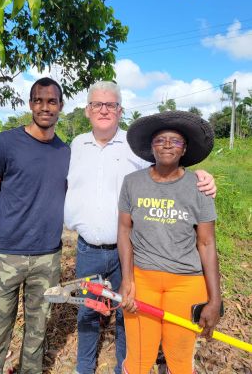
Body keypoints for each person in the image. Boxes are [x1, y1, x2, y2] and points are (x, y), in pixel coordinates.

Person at [64, 81, 217, 374]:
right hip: (88, 248)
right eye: (97, 104)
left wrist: (205, 177)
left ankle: (128, 366)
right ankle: (84, 368)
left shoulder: (135, 149)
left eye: (111, 105)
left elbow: (171, 170)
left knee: (128, 314)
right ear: (87, 111)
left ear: (120, 110)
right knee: (87, 311)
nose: (104, 110)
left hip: (130, 252)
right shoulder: (75, 145)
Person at [0, 77, 70, 373]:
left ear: (60, 107)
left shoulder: (65, 152)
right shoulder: (6, 143)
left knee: (37, 334)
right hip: (4, 257)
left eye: (51, 101)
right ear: (30, 105)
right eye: (39, 100)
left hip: (48, 257)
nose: (45, 107)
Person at [118, 111, 222, 374]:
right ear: (150, 147)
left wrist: (214, 300)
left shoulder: (199, 187)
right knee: (139, 360)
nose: (167, 144)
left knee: (179, 360)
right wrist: (127, 280)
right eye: (160, 140)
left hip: (186, 284)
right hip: (143, 281)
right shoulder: (132, 182)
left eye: (175, 141)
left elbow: (207, 245)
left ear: (184, 148)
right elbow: (124, 231)